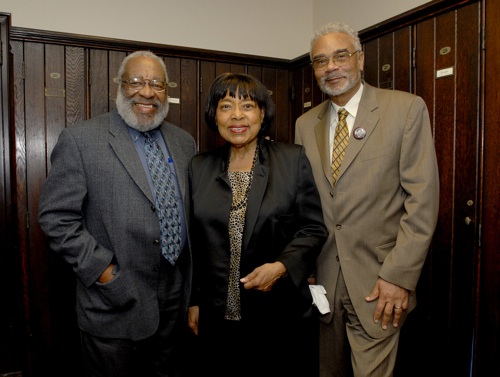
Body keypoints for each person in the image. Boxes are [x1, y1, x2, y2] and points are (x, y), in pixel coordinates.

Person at [38, 50, 197, 377]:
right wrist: (105, 272)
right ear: (119, 86)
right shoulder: (81, 140)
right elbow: (56, 218)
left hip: (173, 301)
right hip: (114, 301)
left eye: (157, 84)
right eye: (136, 82)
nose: (147, 92)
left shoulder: (184, 143)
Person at [295, 22, 440, 377]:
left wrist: (400, 277)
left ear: (361, 59)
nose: (331, 67)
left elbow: (422, 199)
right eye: (320, 61)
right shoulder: (304, 124)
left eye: (340, 56)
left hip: (381, 283)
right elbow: (305, 204)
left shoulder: (405, 109)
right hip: (324, 283)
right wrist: (306, 269)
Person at [187, 72, 328, 377]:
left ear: (262, 113)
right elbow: (196, 243)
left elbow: (313, 228)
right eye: (226, 106)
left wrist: (281, 266)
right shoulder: (199, 166)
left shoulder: (292, 160)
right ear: (215, 115)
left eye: (248, 106)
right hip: (216, 313)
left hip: (274, 311)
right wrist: (195, 301)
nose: (236, 115)